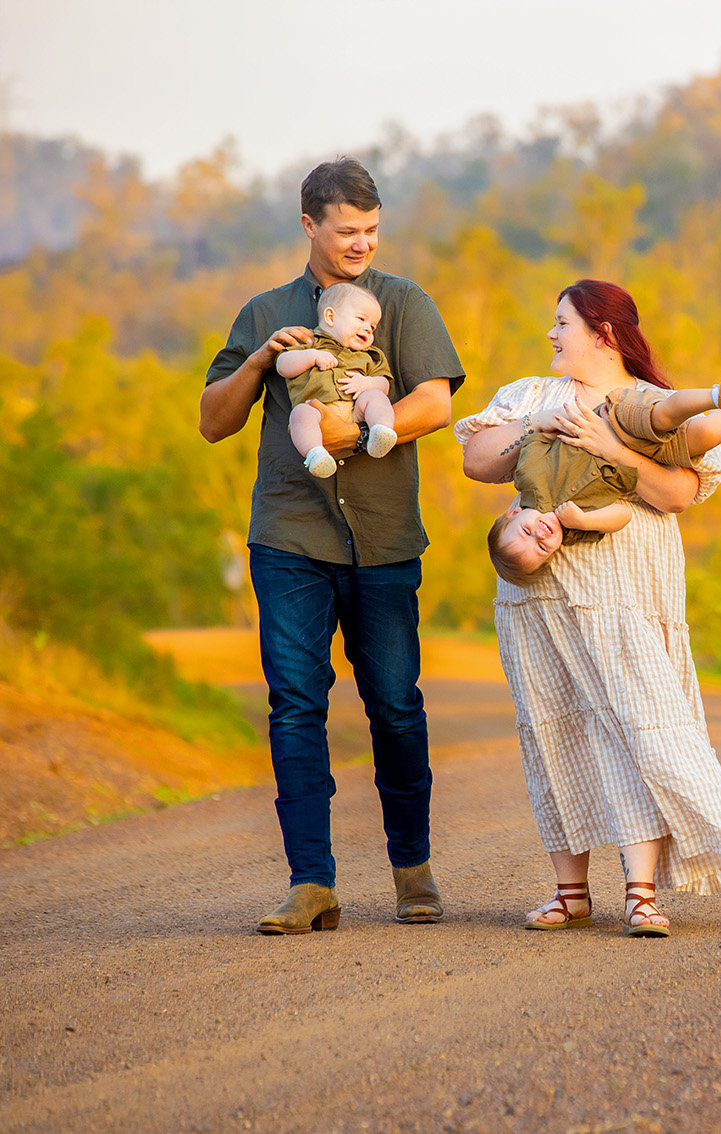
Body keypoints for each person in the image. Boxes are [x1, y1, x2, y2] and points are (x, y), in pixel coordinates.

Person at [199, 159, 464, 935]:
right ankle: (311, 883)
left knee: (395, 706)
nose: (361, 245)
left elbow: (436, 403)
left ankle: (412, 869)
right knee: (294, 706)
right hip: (289, 537)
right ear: (309, 225)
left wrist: (354, 429)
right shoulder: (264, 312)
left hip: (382, 538)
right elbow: (214, 421)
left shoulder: (403, 302)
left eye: (372, 231)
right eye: (347, 231)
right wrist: (258, 360)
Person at [456, 279, 721, 937]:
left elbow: (678, 494)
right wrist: (534, 423)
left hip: (629, 597)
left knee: (640, 729)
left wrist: (610, 451)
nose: (550, 333)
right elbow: (477, 460)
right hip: (539, 600)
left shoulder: (647, 403)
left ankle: (641, 894)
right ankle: (570, 894)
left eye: (560, 321)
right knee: (554, 731)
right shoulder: (530, 394)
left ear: (601, 330)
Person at [488, 352, 721, 584]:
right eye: (541, 547)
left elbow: (540, 436)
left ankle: (717, 395)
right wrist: (584, 521)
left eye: (527, 531)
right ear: (551, 554)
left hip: (615, 419)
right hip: (643, 457)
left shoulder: (529, 476)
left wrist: (567, 423)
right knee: (707, 435)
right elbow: (622, 515)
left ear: (514, 513)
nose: (540, 534)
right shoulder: (573, 529)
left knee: (663, 416)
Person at [276, 281, 400, 478]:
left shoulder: (369, 356)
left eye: (373, 327)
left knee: (376, 397)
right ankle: (316, 454)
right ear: (330, 317)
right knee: (300, 414)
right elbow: (283, 365)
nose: (368, 329)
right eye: (361, 319)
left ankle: (380, 431)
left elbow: (384, 383)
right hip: (317, 414)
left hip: (355, 414)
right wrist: (313, 357)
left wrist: (367, 383)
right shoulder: (309, 345)